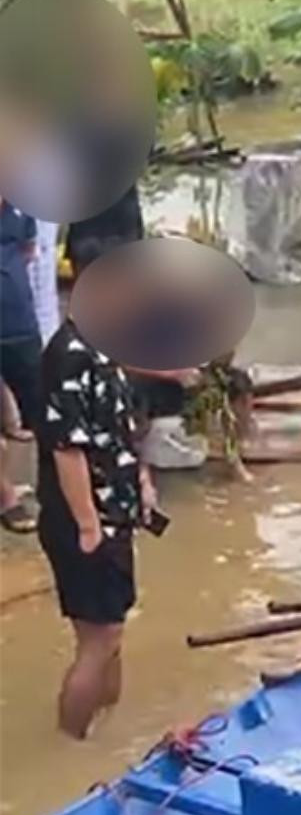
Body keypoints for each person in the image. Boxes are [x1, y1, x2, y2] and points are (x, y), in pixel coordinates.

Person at [35, 307, 153, 737]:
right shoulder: (70, 355)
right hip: (89, 521)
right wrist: (89, 527)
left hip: (110, 514)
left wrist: (141, 480)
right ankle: (72, 745)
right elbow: (67, 449)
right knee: (100, 641)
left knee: (107, 634)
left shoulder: (102, 344)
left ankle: (105, 731)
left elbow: (115, 426)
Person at [1, 197, 42, 532]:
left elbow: (28, 252)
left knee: (43, 412)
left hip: (20, 326)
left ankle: (56, 489)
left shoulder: (21, 207)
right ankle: (6, 500)